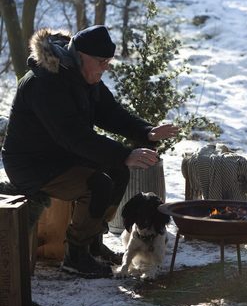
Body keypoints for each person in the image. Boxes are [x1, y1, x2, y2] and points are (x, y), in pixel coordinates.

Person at [2, 25, 179, 278]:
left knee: (118, 172)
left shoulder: (84, 75)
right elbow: (73, 135)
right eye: (101, 62)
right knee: (98, 185)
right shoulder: (45, 82)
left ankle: (92, 242)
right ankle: (76, 256)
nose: (105, 67)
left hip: (63, 156)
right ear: (80, 55)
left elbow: (110, 112)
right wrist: (123, 153)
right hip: (32, 164)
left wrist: (146, 131)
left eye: (108, 61)